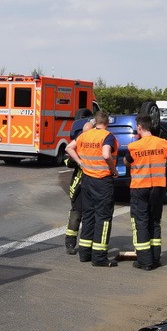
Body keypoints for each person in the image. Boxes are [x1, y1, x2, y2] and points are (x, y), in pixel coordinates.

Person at [65, 110, 119, 266]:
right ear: (107, 122)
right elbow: (106, 154)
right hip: (102, 180)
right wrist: (113, 170)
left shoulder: (84, 135)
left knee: (88, 216)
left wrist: (81, 162)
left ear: (95, 122)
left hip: (87, 180)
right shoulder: (107, 136)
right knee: (103, 218)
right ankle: (99, 257)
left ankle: (85, 253)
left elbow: (69, 148)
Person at [126, 115, 167, 270]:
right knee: (155, 221)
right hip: (158, 187)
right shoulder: (163, 144)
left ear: (139, 127)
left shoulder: (134, 146)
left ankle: (145, 261)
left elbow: (127, 161)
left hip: (140, 187)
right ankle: (156, 258)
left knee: (141, 222)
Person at [63, 108, 95, 254]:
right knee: (76, 214)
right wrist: (75, 160)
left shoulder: (96, 142)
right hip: (80, 185)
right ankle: (70, 244)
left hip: (93, 183)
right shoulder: (78, 142)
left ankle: (87, 243)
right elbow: (67, 161)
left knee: (90, 214)